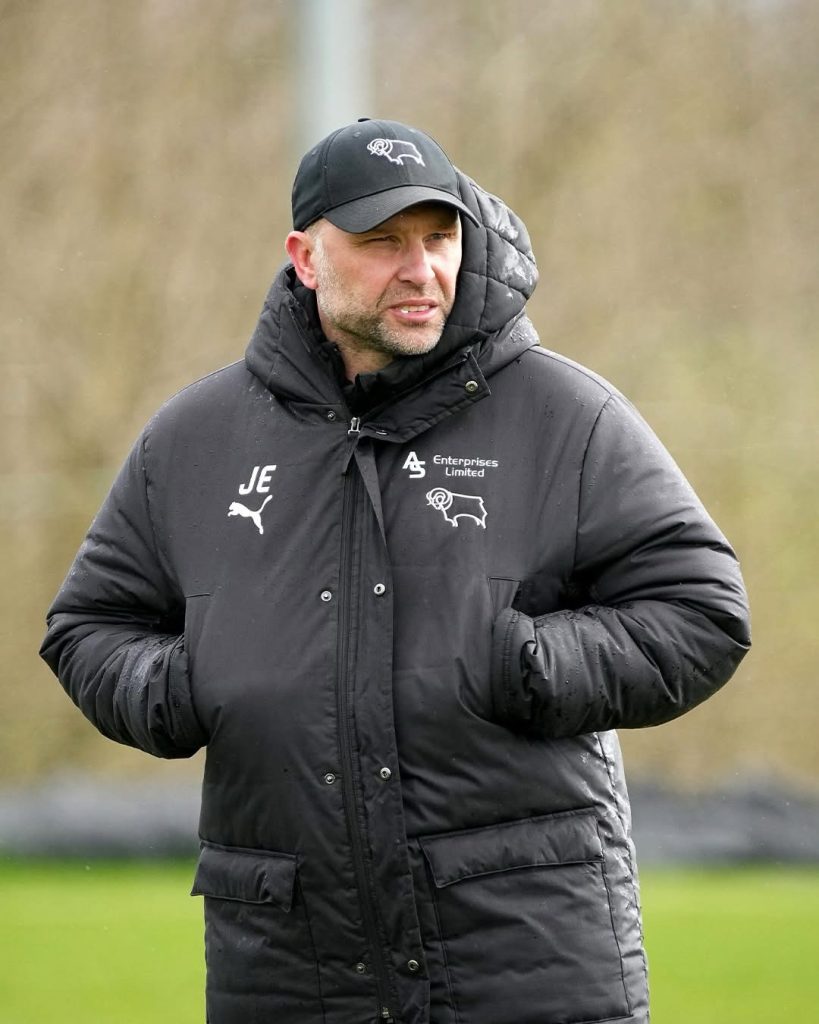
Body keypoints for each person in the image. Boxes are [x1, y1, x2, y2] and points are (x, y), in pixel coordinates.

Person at [41, 118, 751, 1024]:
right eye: (382, 243)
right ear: (305, 257)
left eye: (439, 238)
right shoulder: (194, 439)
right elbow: (88, 628)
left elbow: (699, 610)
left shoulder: (567, 416)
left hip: (526, 961)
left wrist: (521, 665)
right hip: (289, 973)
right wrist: (192, 683)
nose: (421, 270)